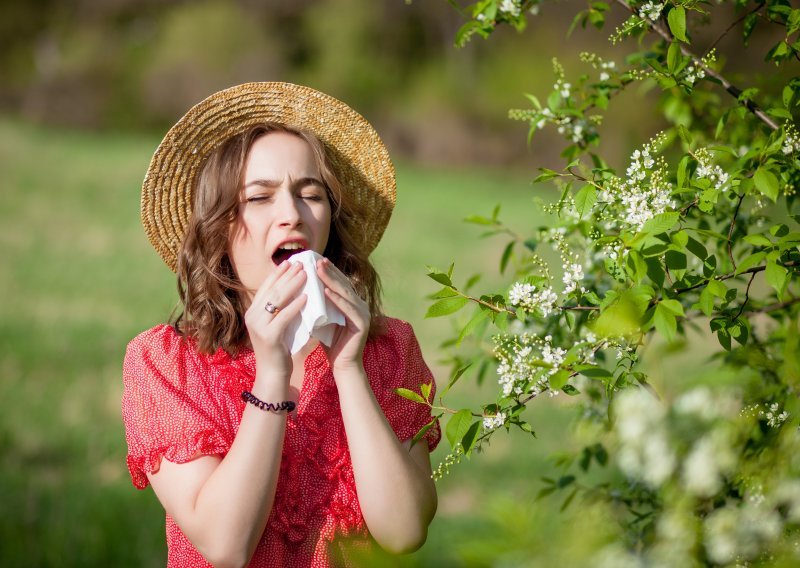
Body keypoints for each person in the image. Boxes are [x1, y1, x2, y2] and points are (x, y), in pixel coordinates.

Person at [122, 82, 440, 568]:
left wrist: (350, 369)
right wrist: (271, 373)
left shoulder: (389, 349)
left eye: (310, 194)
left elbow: (404, 533)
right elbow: (226, 547)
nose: (292, 215)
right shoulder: (167, 363)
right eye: (260, 197)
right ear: (219, 226)